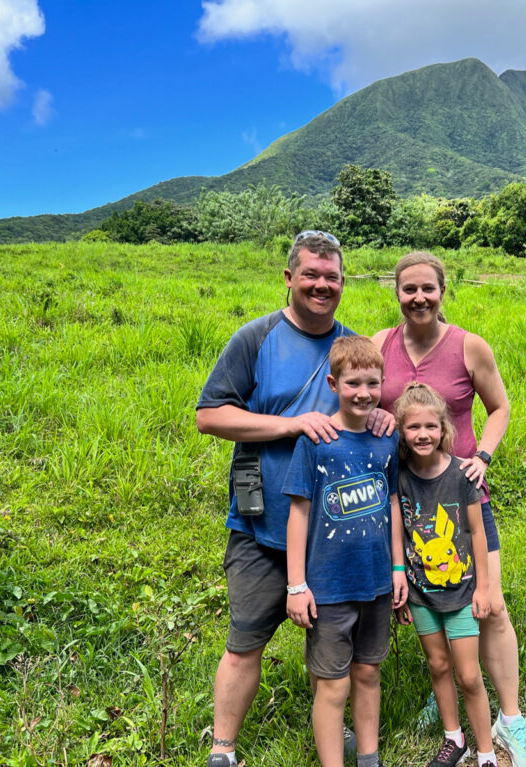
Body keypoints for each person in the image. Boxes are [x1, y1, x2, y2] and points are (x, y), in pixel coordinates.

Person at [196, 232, 391, 767]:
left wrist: (381, 414)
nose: (321, 285)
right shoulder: (255, 338)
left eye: (331, 277)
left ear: (343, 282)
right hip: (263, 529)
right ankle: (223, 748)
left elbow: (371, 409)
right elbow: (209, 416)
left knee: (335, 649)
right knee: (244, 641)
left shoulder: (353, 348)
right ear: (289, 278)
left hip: (337, 539)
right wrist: (290, 425)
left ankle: (332, 729)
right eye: (311, 275)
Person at [371, 252, 526, 767]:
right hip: (407, 503)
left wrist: (482, 458)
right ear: (397, 293)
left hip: (464, 497)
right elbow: (368, 406)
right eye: (409, 289)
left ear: (442, 290)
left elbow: (500, 407)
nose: (418, 297)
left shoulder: (469, 346)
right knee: (429, 595)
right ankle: (443, 698)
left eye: (428, 288)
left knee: (489, 606)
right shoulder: (380, 345)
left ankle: (511, 722)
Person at [282, 335, 408, 767]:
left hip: (375, 583)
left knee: (368, 673)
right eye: (353, 383)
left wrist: (397, 567)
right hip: (329, 588)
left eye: (372, 383)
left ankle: (368, 759)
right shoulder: (316, 441)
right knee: (332, 685)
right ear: (334, 383)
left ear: (383, 383)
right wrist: (296, 584)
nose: (363, 393)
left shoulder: (386, 441)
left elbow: (392, 503)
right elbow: (298, 514)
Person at [393, 382, 497, 767]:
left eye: (430, 427)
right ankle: (455, 738)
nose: (423, 435)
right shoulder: (400, 476)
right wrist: (399, 578)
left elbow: (477, 532)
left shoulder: (462, 474)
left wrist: (483, 588)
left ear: (444, 429)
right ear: (401, 431)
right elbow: (398, 530)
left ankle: (486, 751)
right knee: (438, 665)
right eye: (413, 427)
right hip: (421, 594)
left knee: (469, 676)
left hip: (461, 593)